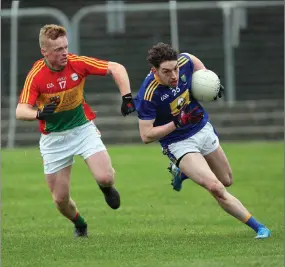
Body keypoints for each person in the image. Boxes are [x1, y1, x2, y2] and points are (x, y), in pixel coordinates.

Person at [134, 42, 270, 239]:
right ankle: (260, 228)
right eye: (166, 71)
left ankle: (182, 172)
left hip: (201, 128)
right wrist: (176, 123)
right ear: (154, 70)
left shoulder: (183, 62)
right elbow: (146, 135)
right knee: (216, 187)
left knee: (226, 180)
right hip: (178, 142)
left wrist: (208, 79)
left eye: (175, 69)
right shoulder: (148, 95)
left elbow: (191, 57)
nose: (173, 75)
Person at [16, 24, 136, 238]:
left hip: (82, 129)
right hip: (54, 139)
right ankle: (80, 224)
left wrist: (126, 97)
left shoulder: (77, 63)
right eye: (58, 50)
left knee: (106, 176)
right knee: (60, 200)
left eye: (65, 47)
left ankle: (106, 188)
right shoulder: (36, 75)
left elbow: (116, 68)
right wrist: (39, 114)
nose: (64, 53)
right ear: (45, 52)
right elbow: (20, 110)